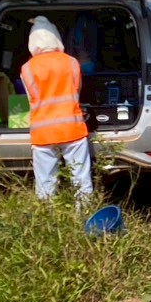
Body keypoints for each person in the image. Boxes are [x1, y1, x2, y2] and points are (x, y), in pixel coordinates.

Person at [20, 16, 93, 205]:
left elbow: (31, 100)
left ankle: (47, 221)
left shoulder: (27, 68)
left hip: (42, 132)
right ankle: (84, 216)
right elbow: (77, 92)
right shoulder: (72, 62)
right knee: (81, 178)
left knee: (45, 182)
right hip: (72, 128)